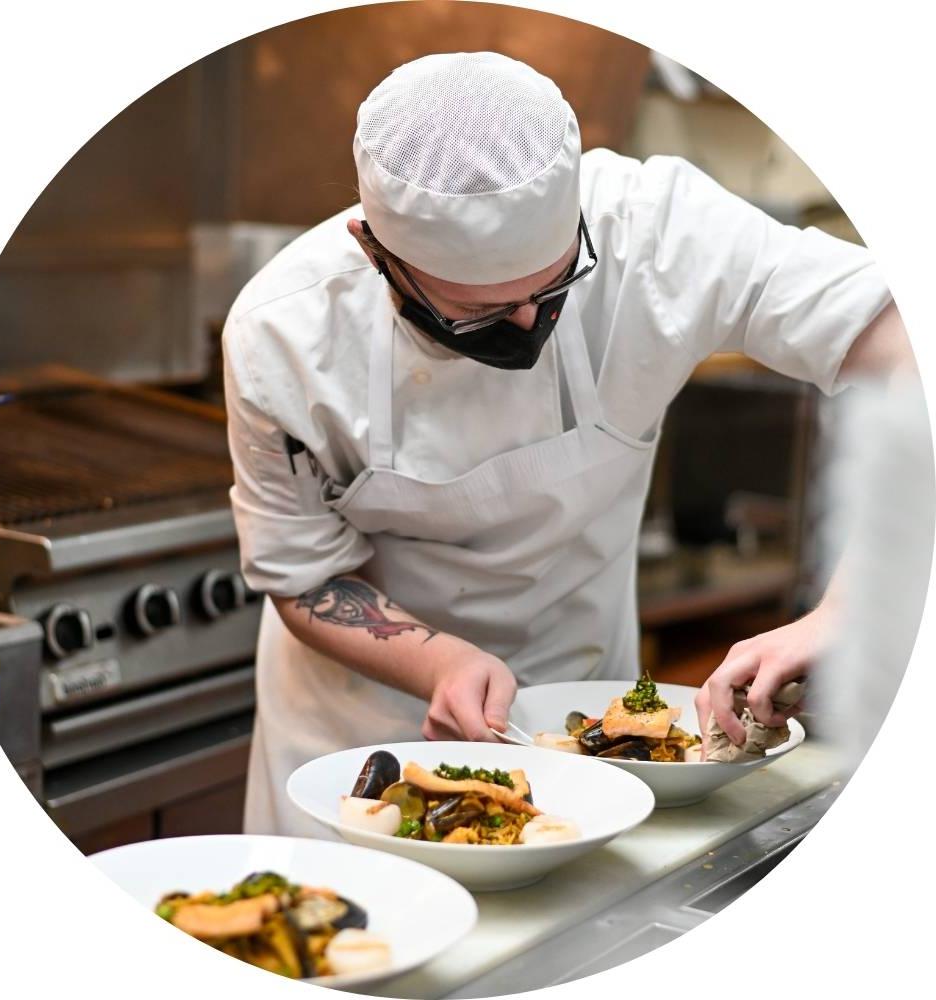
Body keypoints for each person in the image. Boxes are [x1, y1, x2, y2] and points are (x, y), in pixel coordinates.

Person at [224, 52, 913, 835]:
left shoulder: (660, 231)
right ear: (376, 252)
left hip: (585, 718)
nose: (527, 326)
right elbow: (305, 574)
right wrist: (439, 662)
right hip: (362, 731)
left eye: (553, 290)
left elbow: (909, 351)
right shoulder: (281, 334)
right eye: (475, 315)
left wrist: (847, 610)